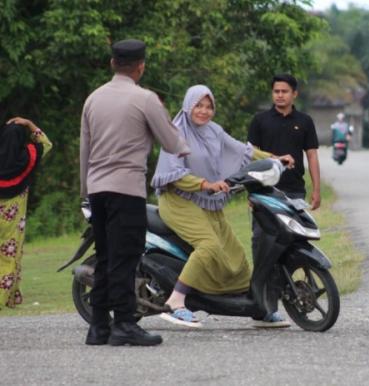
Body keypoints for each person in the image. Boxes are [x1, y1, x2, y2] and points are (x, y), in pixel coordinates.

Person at [151, 85, 294, 328]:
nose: (204, 111)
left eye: (209, 107)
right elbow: (172, 173)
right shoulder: (174, 133)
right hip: (178, 201)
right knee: (209, 246)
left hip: (207, 201)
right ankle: (176, 301)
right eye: (199, 105)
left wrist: (274, 158)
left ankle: (256, 307)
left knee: (236, 256)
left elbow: (243, 150)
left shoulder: (214, 131)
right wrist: (205, 183)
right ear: (188, 105)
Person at [80, 39, 190, 346]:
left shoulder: (93, 99)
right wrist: (187, 148)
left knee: (104, 257)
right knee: (126, 259)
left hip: (97, 190)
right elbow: (173, 143)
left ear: (113, 64)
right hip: (126, 191)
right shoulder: (145, 99)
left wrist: (84, 192)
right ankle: (125, 324)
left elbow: (84, 151)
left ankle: (99, 326)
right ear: (140, 66)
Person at [0, 117, 52, 310]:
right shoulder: (27, 157)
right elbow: (46, 144)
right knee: (9, 257)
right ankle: (6, 297)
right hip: (13, 222)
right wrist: (30, 124)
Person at [248, 74, 321, 209]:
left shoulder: (305, 121)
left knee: (294, 230)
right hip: (264, 189)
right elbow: (251, 155)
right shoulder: (259, 120)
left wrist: (317, 189)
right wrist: (251, 190)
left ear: (294, 94)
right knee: (264, 230)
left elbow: (312, 155)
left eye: (284, 91)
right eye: (276, 91)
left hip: (295, 190)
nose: (280, 95)